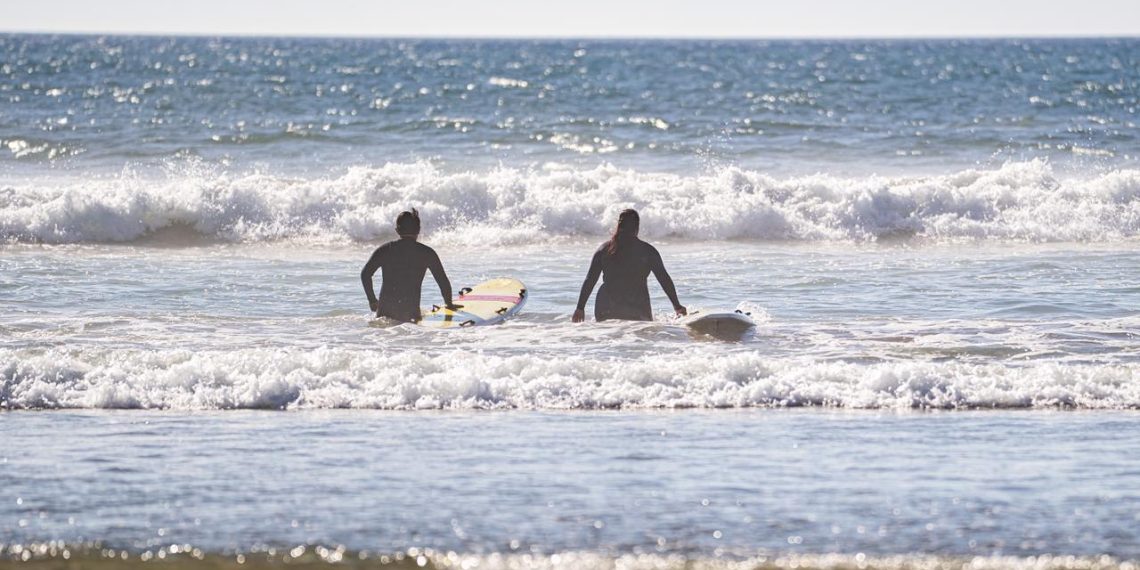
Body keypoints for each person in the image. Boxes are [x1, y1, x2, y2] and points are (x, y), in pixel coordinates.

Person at [572, 209, 687, 322]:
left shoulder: (604, 250)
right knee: (639, 339)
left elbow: (590, 280)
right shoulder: (647, 251)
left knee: (608, 340)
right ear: (637, 228)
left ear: (619, 226)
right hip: (636, 309)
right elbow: (664, 279)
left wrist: (580, 308)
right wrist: (677, 306)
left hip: (606, 308)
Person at [361, 208, 459, 323]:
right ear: (418, 230)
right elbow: (442, 281)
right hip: (411, 317)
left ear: (397, 230)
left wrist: (372, 301)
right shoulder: (427, 253)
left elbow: (365, 274)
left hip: (384, 316)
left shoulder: (385, 250)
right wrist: (449, 304)